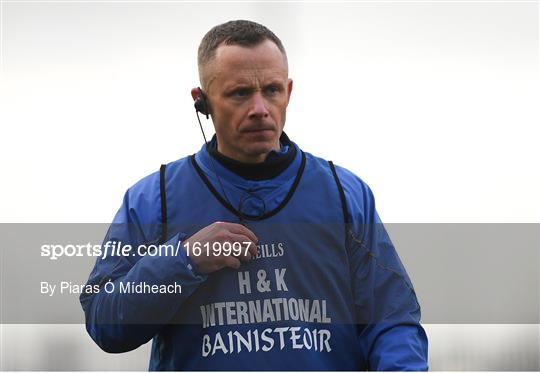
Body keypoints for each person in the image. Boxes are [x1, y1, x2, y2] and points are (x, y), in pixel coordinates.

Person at [80, 20, 428, 370]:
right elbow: (105, 321)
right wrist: (183, 260)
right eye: (240, 93)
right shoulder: (154, 200)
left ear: (289, 92)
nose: (260, 108)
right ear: (202, 102)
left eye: (272, 90)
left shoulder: (344, 194)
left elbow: (392, 319)